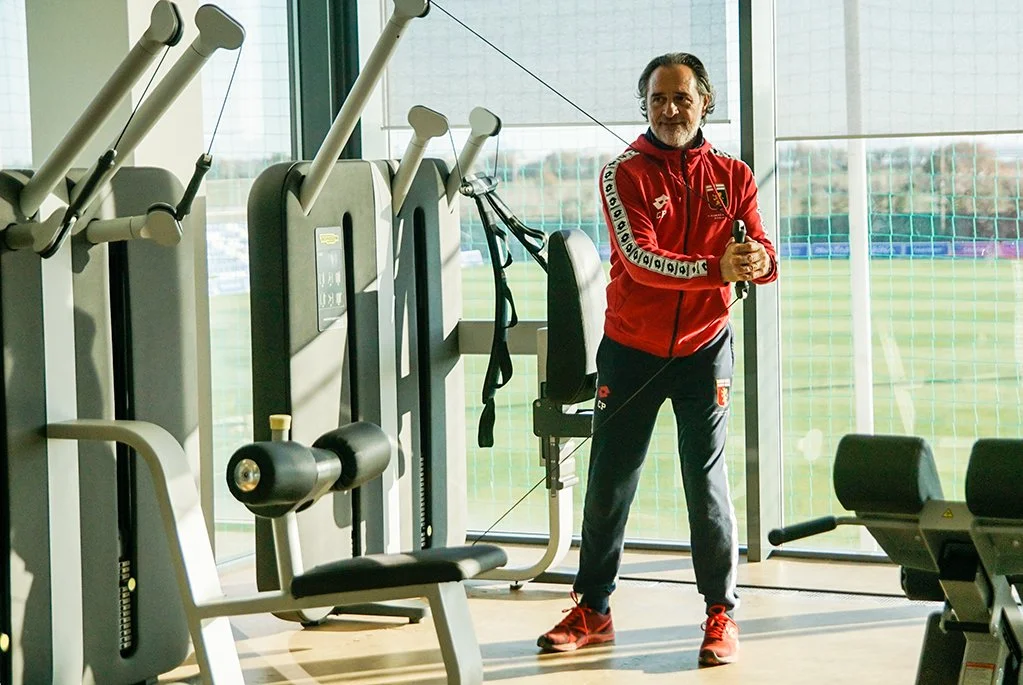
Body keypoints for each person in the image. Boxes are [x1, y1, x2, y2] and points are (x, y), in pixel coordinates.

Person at [536, 52, 778, 667]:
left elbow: (762, 248)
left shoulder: (734, 174)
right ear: (644, 106)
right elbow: (641, 261)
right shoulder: (622, 173)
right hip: (630, 351)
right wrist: (716, 269)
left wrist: (758, 261)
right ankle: (593, 608)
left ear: (705, 102)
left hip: (706, 350)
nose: (669, 110)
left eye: (681, 98)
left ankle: (721, 612)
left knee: (706, 482)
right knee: (610, 480)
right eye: (657, 100)